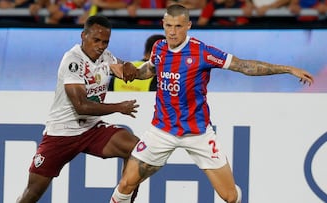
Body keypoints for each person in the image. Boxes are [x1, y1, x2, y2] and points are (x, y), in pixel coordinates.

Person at [110, 4, 314, 203]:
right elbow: (151, 69)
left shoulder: (202, 52)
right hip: (162, 130)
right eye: (168, 26)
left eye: (178, 26)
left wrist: (287, 69)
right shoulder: (159, 47)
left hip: (197, 133)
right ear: (163, 24)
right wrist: (134, 73)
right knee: (126, 184)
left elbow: (243, 66)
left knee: (230, 197)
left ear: (188, 25)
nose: (172, 32)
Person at [16, 15, 141, 203]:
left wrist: (129, 65)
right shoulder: (72, 61)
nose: (100, 46)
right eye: (96, 40)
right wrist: (119, 108)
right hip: (61, 133)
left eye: (105, 42)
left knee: (136, 149)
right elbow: (81, 106)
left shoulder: (105, 56)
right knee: (32, 193)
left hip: (91, 130)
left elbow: (123, 67)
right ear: (83, 35)